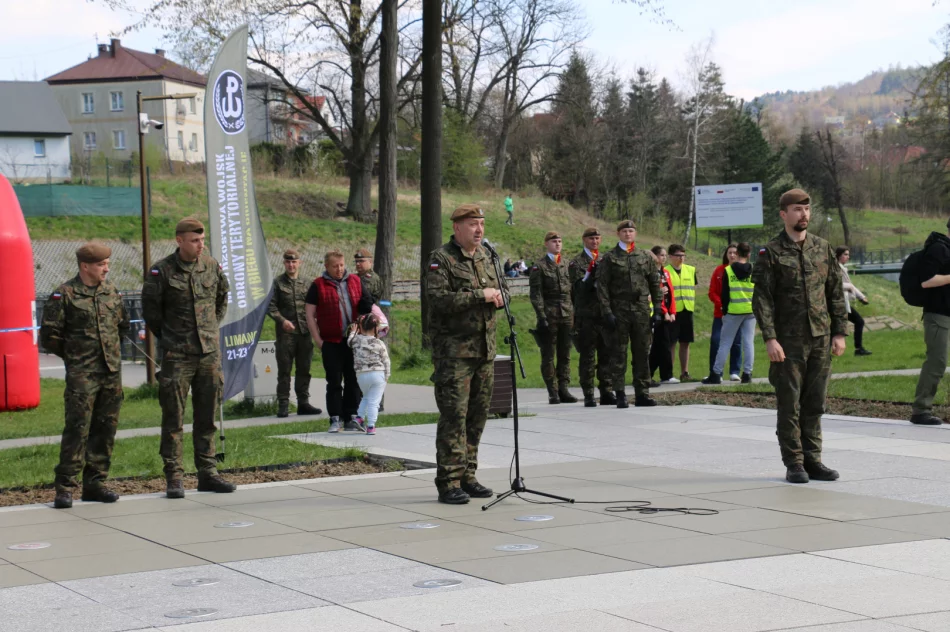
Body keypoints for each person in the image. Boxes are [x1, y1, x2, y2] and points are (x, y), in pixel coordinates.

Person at [752, 189, 847, 484]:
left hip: (819, 337)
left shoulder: (822, 248)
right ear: (784, 214)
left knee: (815, 402)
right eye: (797, 210)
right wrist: (770, 338)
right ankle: (794, 462)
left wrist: (840, 332)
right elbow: (762, 299)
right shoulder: (771, 253)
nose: (803, 215)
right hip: (788, 341)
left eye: (807, 209)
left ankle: (813, 460)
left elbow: (835, 292)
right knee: (789, 402)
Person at [142, 218, 235, 498]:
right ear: (179, 241)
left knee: (207, 417)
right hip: (177, 354)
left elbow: (222, 297)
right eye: (194, 240)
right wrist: (171, 338)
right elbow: (152, 312)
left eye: (201, 239)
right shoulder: (162, 271)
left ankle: (208, 473)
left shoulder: (211, 265)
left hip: (208, 354)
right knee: (174, 418)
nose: (200, 244)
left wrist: (210, 329)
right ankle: (174, 477)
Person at [425, 203, 506, 504]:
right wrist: (479, 296)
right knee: (454, 418)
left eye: (482, 223)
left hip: (484, 352)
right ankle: (448, 481)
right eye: (473, 224)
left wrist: (499, 297)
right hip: (454, 354)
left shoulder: (488, 257)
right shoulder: (441, 259)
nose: (479, 229)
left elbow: (505, 291)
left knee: (477, 417)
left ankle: (468, 476)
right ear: (457, 227)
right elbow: (437, 300)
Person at [41, 243, 129, 509]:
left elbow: (122, 327)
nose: (106, 268)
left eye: (108, 264)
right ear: (85, 266)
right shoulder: (65, 294)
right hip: (82, 374)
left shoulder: (112, 292)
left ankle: (96, 483)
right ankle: (65, 487)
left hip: (110, 373)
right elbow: (49, 336)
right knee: (77, 429)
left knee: (105, 429)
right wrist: (76, 358)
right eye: (102, 264)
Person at [596, 219, 663, 408]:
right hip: (619, 311)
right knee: (619, 353)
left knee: (642, 353)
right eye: (624, 231)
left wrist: (657, 308)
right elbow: (602, 286)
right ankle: (620, 393)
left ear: (635, 234)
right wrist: (607, 311)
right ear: (618, 234)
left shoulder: (645, 256)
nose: (628, 234)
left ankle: (642, 393)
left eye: (631, 231)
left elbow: (654, 283)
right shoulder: (609, 258)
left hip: (641, 310)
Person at [305, 250, 373, 433]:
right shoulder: (318, 285)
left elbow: (366, 305)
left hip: (353, 341)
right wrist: (318, 340)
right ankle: (335, 418)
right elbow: (310, 314)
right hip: (330, 341)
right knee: (334, 381)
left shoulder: (355, 281)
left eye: (342, 265)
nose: (339, 269)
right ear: (326, 266)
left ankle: (352, 416)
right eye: (335, 266)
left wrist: (364, 330)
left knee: (353, 379)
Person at [267, 249, 322, 418]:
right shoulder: (277, 283)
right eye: (288, 262)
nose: (291, 265)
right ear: (284, 263)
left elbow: (315, 305)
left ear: (300, 263)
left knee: (304, 369)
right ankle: (283, 404)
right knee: (284, 370)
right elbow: (270, 306)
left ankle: (303, 403)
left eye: (294, 262)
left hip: (304, 333)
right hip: (286, 335)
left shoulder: (307, 283)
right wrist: (282, 320)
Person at [569, 227, 616, 407]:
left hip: (604, 315)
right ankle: (588, 393)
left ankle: (606, 391)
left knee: (606, 355)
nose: (594, 241)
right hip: (587, 316)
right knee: (588, 357)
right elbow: (578, 290)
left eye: (597, 238)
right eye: (591, 239)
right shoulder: (577, 263)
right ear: (584, 240)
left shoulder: (606, 260)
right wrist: (590, 276)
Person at [909, 221, 950, 425]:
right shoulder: (939, 249)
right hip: (938, 315)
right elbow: (926, 281)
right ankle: (920, 410)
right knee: (937, 361)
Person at [530, 231, 577, 404]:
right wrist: (541, 316)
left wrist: (574, 312)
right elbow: (536, 294)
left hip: (567, 314)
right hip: (549, 315)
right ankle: (553, 391)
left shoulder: (566, 264)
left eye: (559, 241)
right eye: (554, 241)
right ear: (546, 244)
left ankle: (564, 389)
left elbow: (572, 291)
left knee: (565, 354)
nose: (557, 244)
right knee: (549, 354)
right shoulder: (539, 266)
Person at [704, 242, 756, 385]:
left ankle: (716, 373)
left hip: (733, 311)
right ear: (749, 254)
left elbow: (725, 294)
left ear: (737, 254)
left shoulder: (728, 270)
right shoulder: (754, 269)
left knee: (725, 343)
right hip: (750, 310)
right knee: (748, 342)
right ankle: (747, 373)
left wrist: (724, 310)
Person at [347, 313, 390, 435]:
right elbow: (386, 361)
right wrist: (387, 376)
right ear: (376, 328)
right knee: (374, 402)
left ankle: (359, 418)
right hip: (377, 374)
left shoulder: (356, 340)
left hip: (361, 375)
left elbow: (349, 342)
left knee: (366, 396)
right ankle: (371, 426)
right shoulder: (379, 343)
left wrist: (353, 331)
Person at [709, 243, 742, 381]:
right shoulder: (719, 270)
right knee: (716, 341)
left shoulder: (743, 271)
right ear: (726, 255)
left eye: (735, 253)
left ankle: (734, 371)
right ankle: (716, 373)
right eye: (730, 253)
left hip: (737, 313)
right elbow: (712, 292)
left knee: (736, 342)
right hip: (720, 314)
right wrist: (721, 304)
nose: (732, 255)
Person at [666, 244, 697, 382]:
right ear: (671, 256)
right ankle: (669, 373)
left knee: (685, 342)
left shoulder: (691, 270)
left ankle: (685, 372)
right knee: (671, 342)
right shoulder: (665, 271)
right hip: (672, 311)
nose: (681, 258)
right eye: (678, 255)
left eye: (683, 255)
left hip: (687, 309)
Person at [649, 245, 677, 385]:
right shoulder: (652, 273)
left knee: (658, 346)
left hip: (667, 314)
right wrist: (664, 312)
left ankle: (648, 373)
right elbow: (657, 295)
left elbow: (670, 293)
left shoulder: (665, 272)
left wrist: (672, 312)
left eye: (665, 255)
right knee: (664, 344)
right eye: (661, 255)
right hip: (657, 313)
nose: (664, 258)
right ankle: (666, 375)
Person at [836, 246, 872, 357]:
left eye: (848, 254)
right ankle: (858, 349)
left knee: (857, 322)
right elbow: (834, 284)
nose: (848, 257)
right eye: (845, 254)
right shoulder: (836, 268)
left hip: (842, 301)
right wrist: (853, 289)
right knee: (856, 322)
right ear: (839, 255)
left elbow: (851, 286)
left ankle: (858, 348)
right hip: (837, 302)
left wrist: (861, 297)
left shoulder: (841, 268)